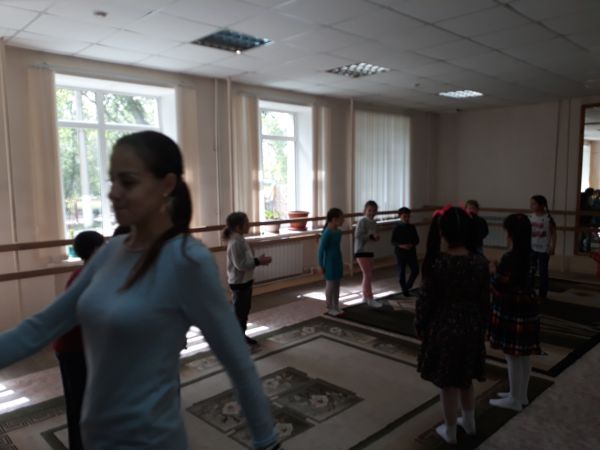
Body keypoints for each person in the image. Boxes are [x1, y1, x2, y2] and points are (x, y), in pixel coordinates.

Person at [0, 131, 279, 450]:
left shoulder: (188, 260)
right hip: (97, 439)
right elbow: (39, 328)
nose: (113, 193)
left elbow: (236, 360)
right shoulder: (110, 251)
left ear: (166, 185)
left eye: (128, 181)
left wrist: (266, 440)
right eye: (112, 181)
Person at [415, 207, 489, 445]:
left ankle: (450, 430)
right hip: (472, 325)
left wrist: (420, 324)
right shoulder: (480, 262)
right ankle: (469, 422)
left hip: (445, 326)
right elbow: (485, 298)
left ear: (442, 232)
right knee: (465, 377)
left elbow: (425, 300)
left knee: (448, 382)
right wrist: (484, 325)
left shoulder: (438, 263)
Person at [53, 230, 105, 450]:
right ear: (96, 251)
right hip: (73, 348)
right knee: (80, 403)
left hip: (75, 346)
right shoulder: (90, 277)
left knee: (83, 401)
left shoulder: (85, 273)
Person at [489, 214, 541, 412]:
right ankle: (521, 395)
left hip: (511, 308)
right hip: (528, 306)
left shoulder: (510, 258)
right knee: (524, 355)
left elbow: (498, 285)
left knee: (512, 355)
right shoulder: (531, 254)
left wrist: (493, 270)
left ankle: (514, 399)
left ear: (511, 233)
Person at [223, 211, 272, 346]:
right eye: (247, 223)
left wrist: (258, 260)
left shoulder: (240, 239)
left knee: (243, 311)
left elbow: (246, 260)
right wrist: (259, 261)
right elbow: (241, 265)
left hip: (245, 281)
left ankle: (240, 336)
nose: (249, 225)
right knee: (240, 312)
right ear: (238, 227)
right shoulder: (235, 242)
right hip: (239, 283)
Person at [354, 200, 382, 308]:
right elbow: (358, 235)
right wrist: (370, 236)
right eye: (369, 210)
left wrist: (376, 237)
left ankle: (365, 297)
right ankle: (370, 298)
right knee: (368, 274)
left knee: (368, 275)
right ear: (365, 210)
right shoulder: (362, 221)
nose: (371, 213)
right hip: (361, 251)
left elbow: (374, 235)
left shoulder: (374, 222)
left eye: (374, 211)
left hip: (370, 251)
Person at [318, 208, 345, 316]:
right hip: (329, 263)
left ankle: (336, 305)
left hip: (337, 260)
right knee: (330, 285)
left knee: (337, 285)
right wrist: (321, 265)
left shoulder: (338, 232)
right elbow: (321, 250)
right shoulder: (327, 233)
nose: (343, 221)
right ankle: (329, 307)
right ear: (334, 219)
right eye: (341, 219)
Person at [529, 195, 556, 300]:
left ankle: (542, 294)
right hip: (532, 248)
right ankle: (529, 291)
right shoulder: (531, 217)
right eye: (531, 203)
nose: (531, 206)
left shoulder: (548, 218)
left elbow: (554, 233)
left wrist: (553, 247)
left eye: (534, 204)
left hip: (543, 250)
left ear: (541, 205)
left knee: (543, 272)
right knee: (531, 271)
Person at [391, 207, 420, 296]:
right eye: (404, 216)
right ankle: (404, 290)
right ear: (400, 216)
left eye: (408, 216)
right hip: (400, 253)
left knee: (415, 270)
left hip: (411, 252)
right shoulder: (397, 227)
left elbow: (417, 240)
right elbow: (393, 241)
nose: (407, 218)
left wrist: (412, 244)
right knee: (401, 272)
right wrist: (401, 246)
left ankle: (408, 286)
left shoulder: (412, 227)